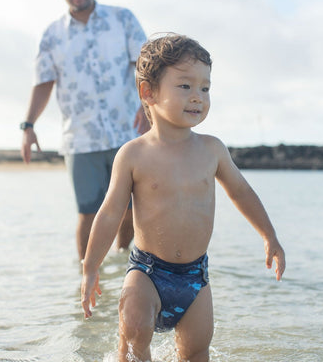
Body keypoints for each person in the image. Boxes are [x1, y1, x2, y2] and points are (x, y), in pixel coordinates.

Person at [81, 33, 286, 361]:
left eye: (205, 88)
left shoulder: (211, 150)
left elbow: (241, 191)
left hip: (195, 278)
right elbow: (109, 213)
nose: (198, 97)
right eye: (185, 86)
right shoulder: (134, 155)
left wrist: (269, 236)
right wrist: (91, 266)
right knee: (134, 338)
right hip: (147, 273)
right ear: (148, 92)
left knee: (195, 351)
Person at [20, 0, 148, 260]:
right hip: (80, 139)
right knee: (88, 213)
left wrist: (148, 108)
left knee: (131, 208)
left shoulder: (122, 18)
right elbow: (43, 82)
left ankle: (123, 263)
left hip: (126, 132)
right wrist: (28, 126)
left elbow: (146, 66)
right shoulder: (51, 35)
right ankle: (87, 280)